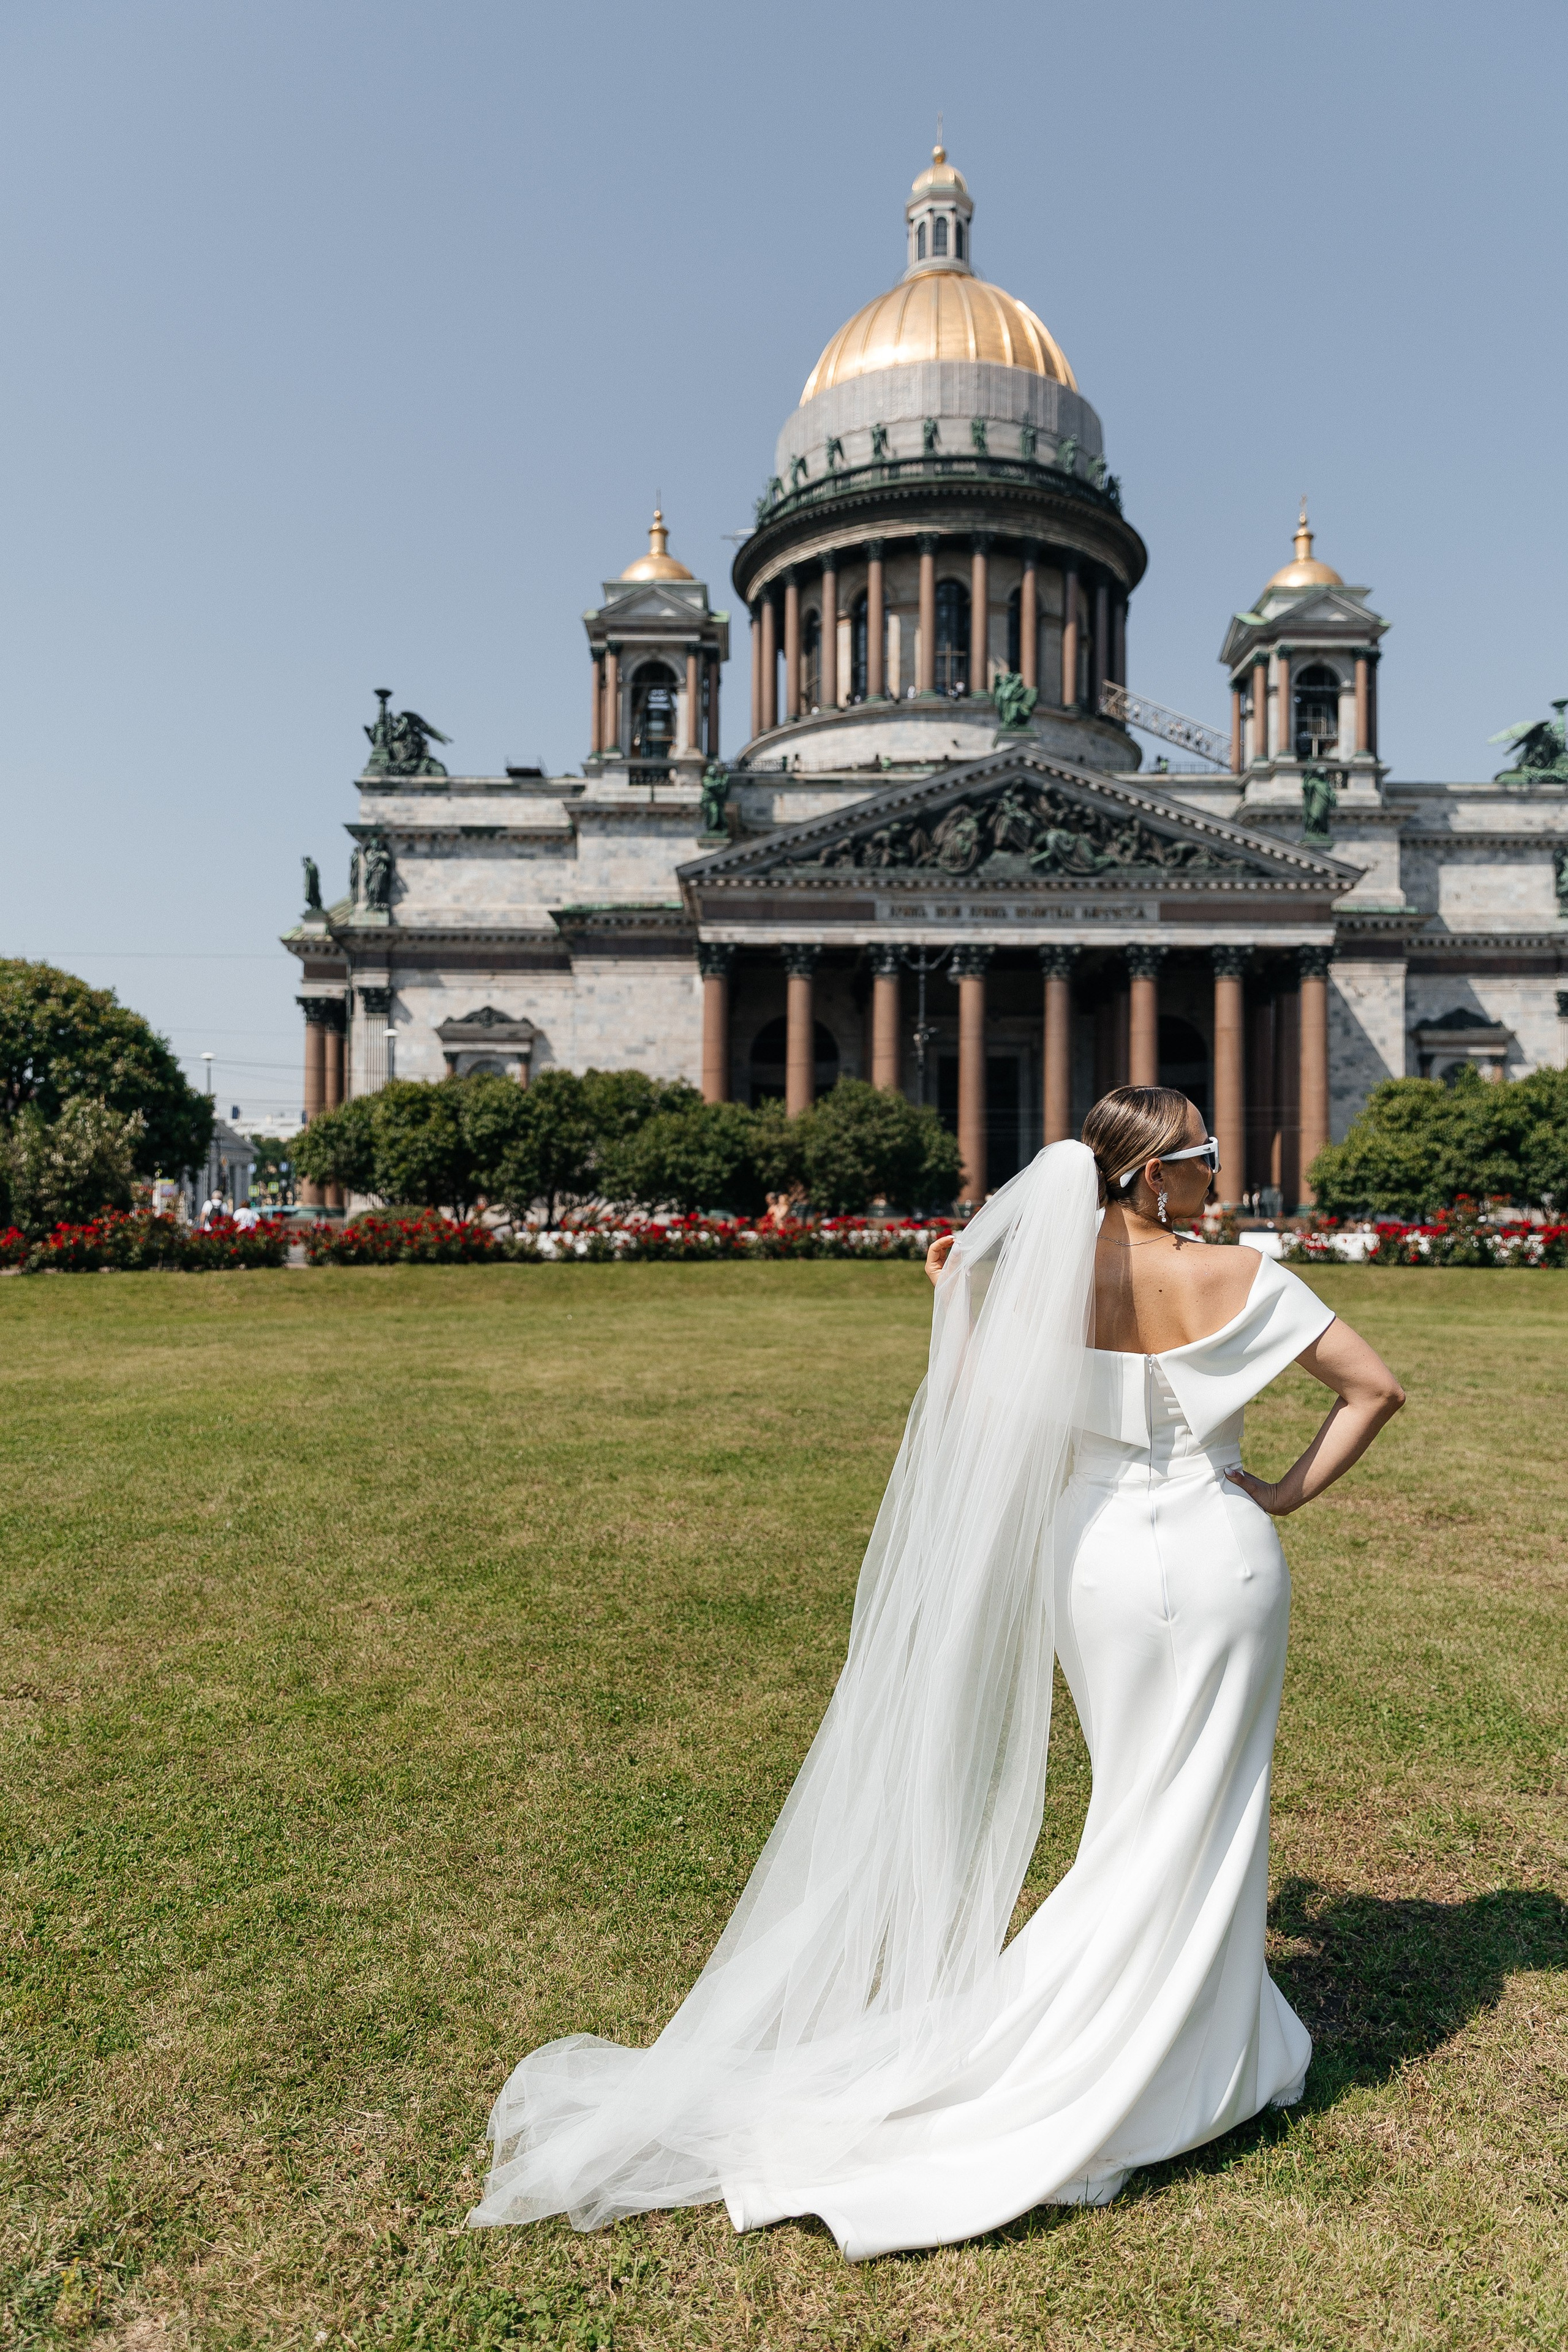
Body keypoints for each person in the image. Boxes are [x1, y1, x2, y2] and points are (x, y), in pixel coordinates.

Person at [470, 1087, 1403, 2258]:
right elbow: (1375, 1388)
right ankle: (1176, 2044)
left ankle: (1175, 2026)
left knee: (1136, 1802)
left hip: (1095, 1560)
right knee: (1207, 1803)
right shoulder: (1240, 1273)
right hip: (1221, 1557)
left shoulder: (1045, 1281)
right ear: (1158, 1173)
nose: (1218, 1179)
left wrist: (953, 1300)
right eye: (1206, 1159)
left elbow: (972, 1409)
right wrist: (1281, 1491)